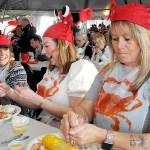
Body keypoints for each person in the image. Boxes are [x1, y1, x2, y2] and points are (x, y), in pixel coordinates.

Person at [60, 1, 150, 150]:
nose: (119, 46)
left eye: (127, 39)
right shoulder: (107, 69)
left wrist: (106, 136)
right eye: (115, 39)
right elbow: (86, 107)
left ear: (144, 39)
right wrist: (75, 117)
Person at [0, 6, 98, 128]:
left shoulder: (81, 68)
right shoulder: (53, 70)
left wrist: (41, 102)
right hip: (41, 128)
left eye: (47, 46)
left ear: (64, 45)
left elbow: (78, 116)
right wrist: (10, 93)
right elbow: (36, 103)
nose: (43, 52)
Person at [0, 35, 32, 116]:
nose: (2, 54)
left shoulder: (16, 69)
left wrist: (7, 93)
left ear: (10, 51)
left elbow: (23, 96)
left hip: (17, 115)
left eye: (5, 49)